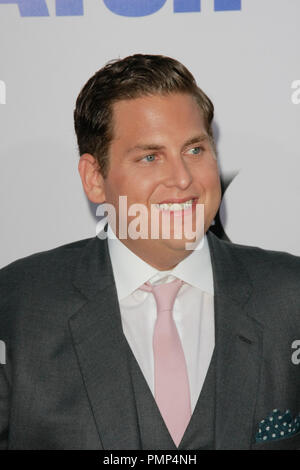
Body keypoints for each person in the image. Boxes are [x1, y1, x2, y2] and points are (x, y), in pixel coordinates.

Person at [0, 54, 300, 450]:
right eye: (150, 157)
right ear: (94, 178)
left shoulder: (290, 295)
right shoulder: (18, 305)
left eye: (195, 150)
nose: (183, 178)